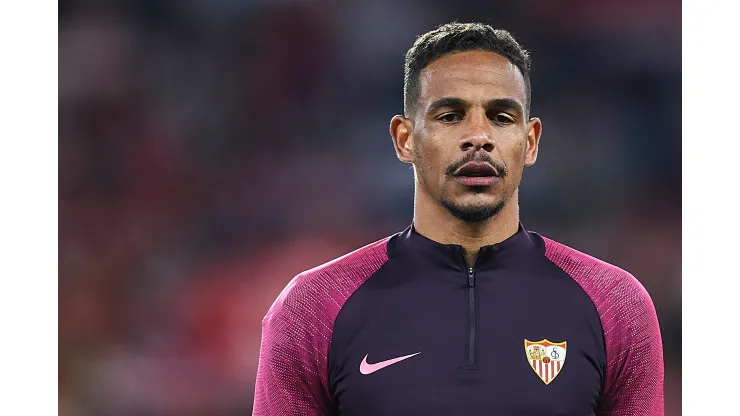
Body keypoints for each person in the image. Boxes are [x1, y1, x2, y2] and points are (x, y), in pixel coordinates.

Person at [252, 22, 664, 415]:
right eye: (450, 115)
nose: (478, 136)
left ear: (531, 141)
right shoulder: (313, 308)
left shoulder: (614, 305)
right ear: (405, 139)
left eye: (501, 116)